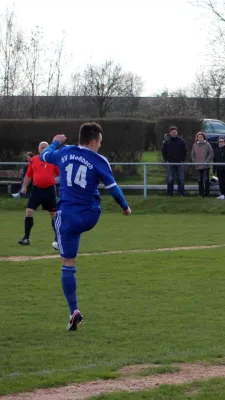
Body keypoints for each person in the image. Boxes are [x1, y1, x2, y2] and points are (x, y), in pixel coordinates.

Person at [40, 122, 131, 331]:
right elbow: (114, 189)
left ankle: (73, 309)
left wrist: (55, 142)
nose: (100, 146)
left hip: (69, 217)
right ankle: (74, 315)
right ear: (92, 142)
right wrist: (125, 207)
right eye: (99, 142)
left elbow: (44, 155)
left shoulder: (64, 152)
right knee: (72, 227)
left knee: (67, 262)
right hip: (90, 216)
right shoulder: (99, 160)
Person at [17, 142, 60, 250]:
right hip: (36, 190)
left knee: (53, 214)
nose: (43, 149)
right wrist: (24, 187)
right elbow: (28, 175)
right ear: (38, 149)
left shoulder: (53, 160)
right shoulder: (34, 160)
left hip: (49, 190)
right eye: (42, 147)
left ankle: (57, 239)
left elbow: (60, 174)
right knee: (29, 212)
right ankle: (26, 238)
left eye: (45, 147)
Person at [161, 126, 187, 196]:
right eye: (172, 132)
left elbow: (185, 151)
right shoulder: (167, 142)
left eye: (175, 132)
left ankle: (181, 193)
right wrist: (166, 160)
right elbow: (163, 152)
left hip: (180, 163)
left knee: (181, 179)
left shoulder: (181, 141)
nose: (173, 133)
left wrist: (183, 159)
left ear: (177, 132)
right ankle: (170, 193)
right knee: (170, 179)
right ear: (170, 133)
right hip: (170, 163)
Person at [191, 131, 214, 198]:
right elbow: (192, 154)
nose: (200, 138)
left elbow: (211, 153)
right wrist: (194, 162)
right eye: (199, 137)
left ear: (204, 138)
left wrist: (207, 161)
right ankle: (201, 193)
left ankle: (206, 193)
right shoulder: (194, 145)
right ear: (197, 138)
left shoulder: (207, 145)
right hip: (198, 166)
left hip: (205, 166)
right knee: (200, 180)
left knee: (206, 180)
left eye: (201, 137)